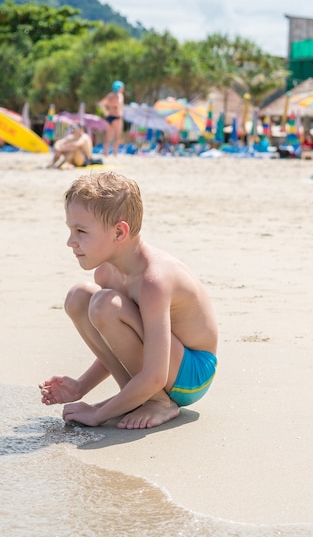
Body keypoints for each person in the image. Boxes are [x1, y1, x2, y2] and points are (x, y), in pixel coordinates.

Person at [39, 172, 218, 430]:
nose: (70, 241)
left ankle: (158, 402)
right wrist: (82, 386)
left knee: (104, 305)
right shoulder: (106, 272)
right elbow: (123, 340)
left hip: (192, 374)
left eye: (80, 231)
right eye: (70, 230)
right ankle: (137, 397)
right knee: (79, 297)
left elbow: (156, 372)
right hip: (161, 367)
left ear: (119, 232)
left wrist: (98, 415)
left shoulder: (153, 282)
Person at [99, 81, 124, 156]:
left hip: (109, 116)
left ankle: (106, 153)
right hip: (117, 117)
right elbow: (119, 102)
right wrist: (119, 111)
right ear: (120, 88)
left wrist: (105, 112)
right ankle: (115, 153)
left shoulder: (110, 95)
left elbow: (101, 104)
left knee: (108, 136)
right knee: (117, 136)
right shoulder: (119, 95)